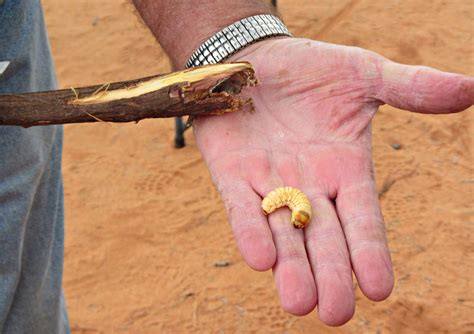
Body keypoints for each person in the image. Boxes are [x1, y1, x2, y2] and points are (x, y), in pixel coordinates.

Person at [0, 0, 472, 332]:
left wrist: (226, 33)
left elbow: (284, 202)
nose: (294, 210)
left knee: (23, 271)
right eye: (297, 212)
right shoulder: (287, 202)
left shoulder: (287, 200)